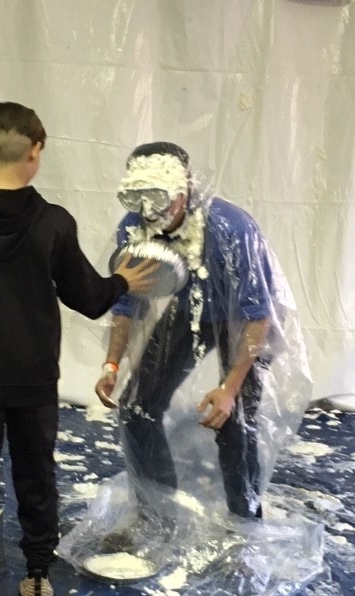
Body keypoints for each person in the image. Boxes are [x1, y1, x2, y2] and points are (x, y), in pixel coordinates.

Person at [0, 102, 158, 596]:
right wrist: (120, 280)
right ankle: (36, 582)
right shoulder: (53, 222)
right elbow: (91, 298)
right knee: (36, 479)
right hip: (31, 381)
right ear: (36, 154)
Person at [95, 141, 297, 531]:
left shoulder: (229, 228)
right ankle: (157, 513)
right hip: (193, 311)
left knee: (234, 421)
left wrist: (229, 388)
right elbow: (127, 302)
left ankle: (243, 524)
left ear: (184, 188)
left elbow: (258, 316)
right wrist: (112, 362)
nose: (150, 209)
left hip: (248, 319)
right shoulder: (136, 227)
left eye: (160, 197)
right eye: (139, 198)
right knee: (137, 407)